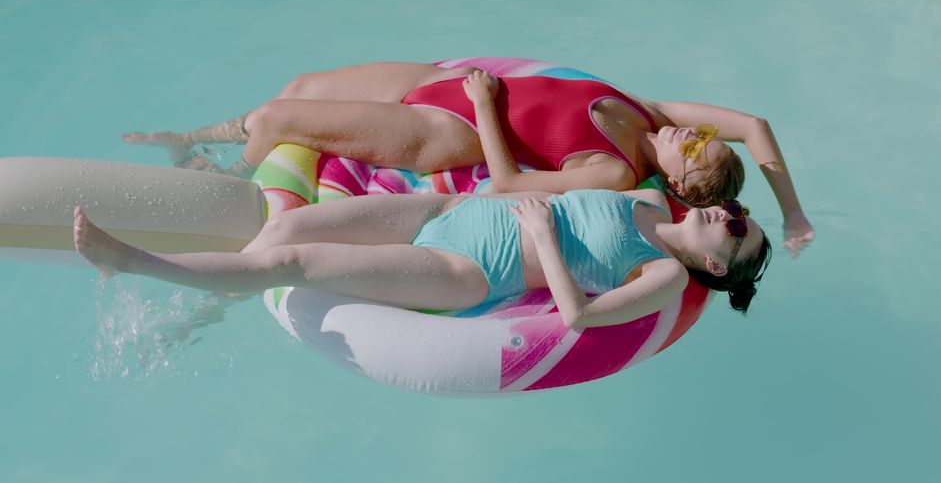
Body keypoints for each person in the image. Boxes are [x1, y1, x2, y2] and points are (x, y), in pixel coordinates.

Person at [123, 62, 813, 256]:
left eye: (694, 148)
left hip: (446, 123)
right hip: (445, 77)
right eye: (699, 134)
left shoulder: (615, 172)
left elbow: (509, 180)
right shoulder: (654, 116)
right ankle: (196, 139)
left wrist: (482, 102)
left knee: (276, 120)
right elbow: (755, 124)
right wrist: (794, 216)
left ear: (684, 182)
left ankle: (220, 180)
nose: (690, 134)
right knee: (301, 87)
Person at [73, 188, 772, 327]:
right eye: (740, 213)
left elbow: (578, 318)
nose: (729, 216)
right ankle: (206, 303)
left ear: (718, 265)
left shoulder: (661, 276)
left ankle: (131, 261)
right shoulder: (646, 195)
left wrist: (547, 244)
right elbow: (545, 193)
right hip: (449, 214)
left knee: (291, 266)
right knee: (283, 235)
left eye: (736, 231)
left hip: (470, 273)